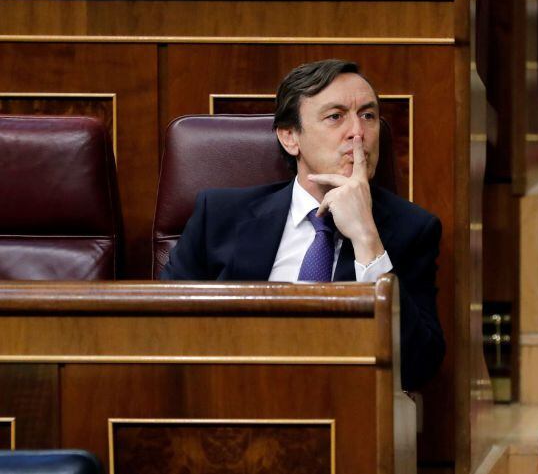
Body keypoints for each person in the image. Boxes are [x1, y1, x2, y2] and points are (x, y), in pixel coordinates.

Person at [161, 59, 444, 390]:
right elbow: (164, 330)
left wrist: (367, 239)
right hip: (228, 401)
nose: (358, 132)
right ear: (290, 137)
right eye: (335, 116)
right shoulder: (220, 216)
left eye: (368, 115)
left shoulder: (412, 230)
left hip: (344, 411)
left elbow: (418, 367)